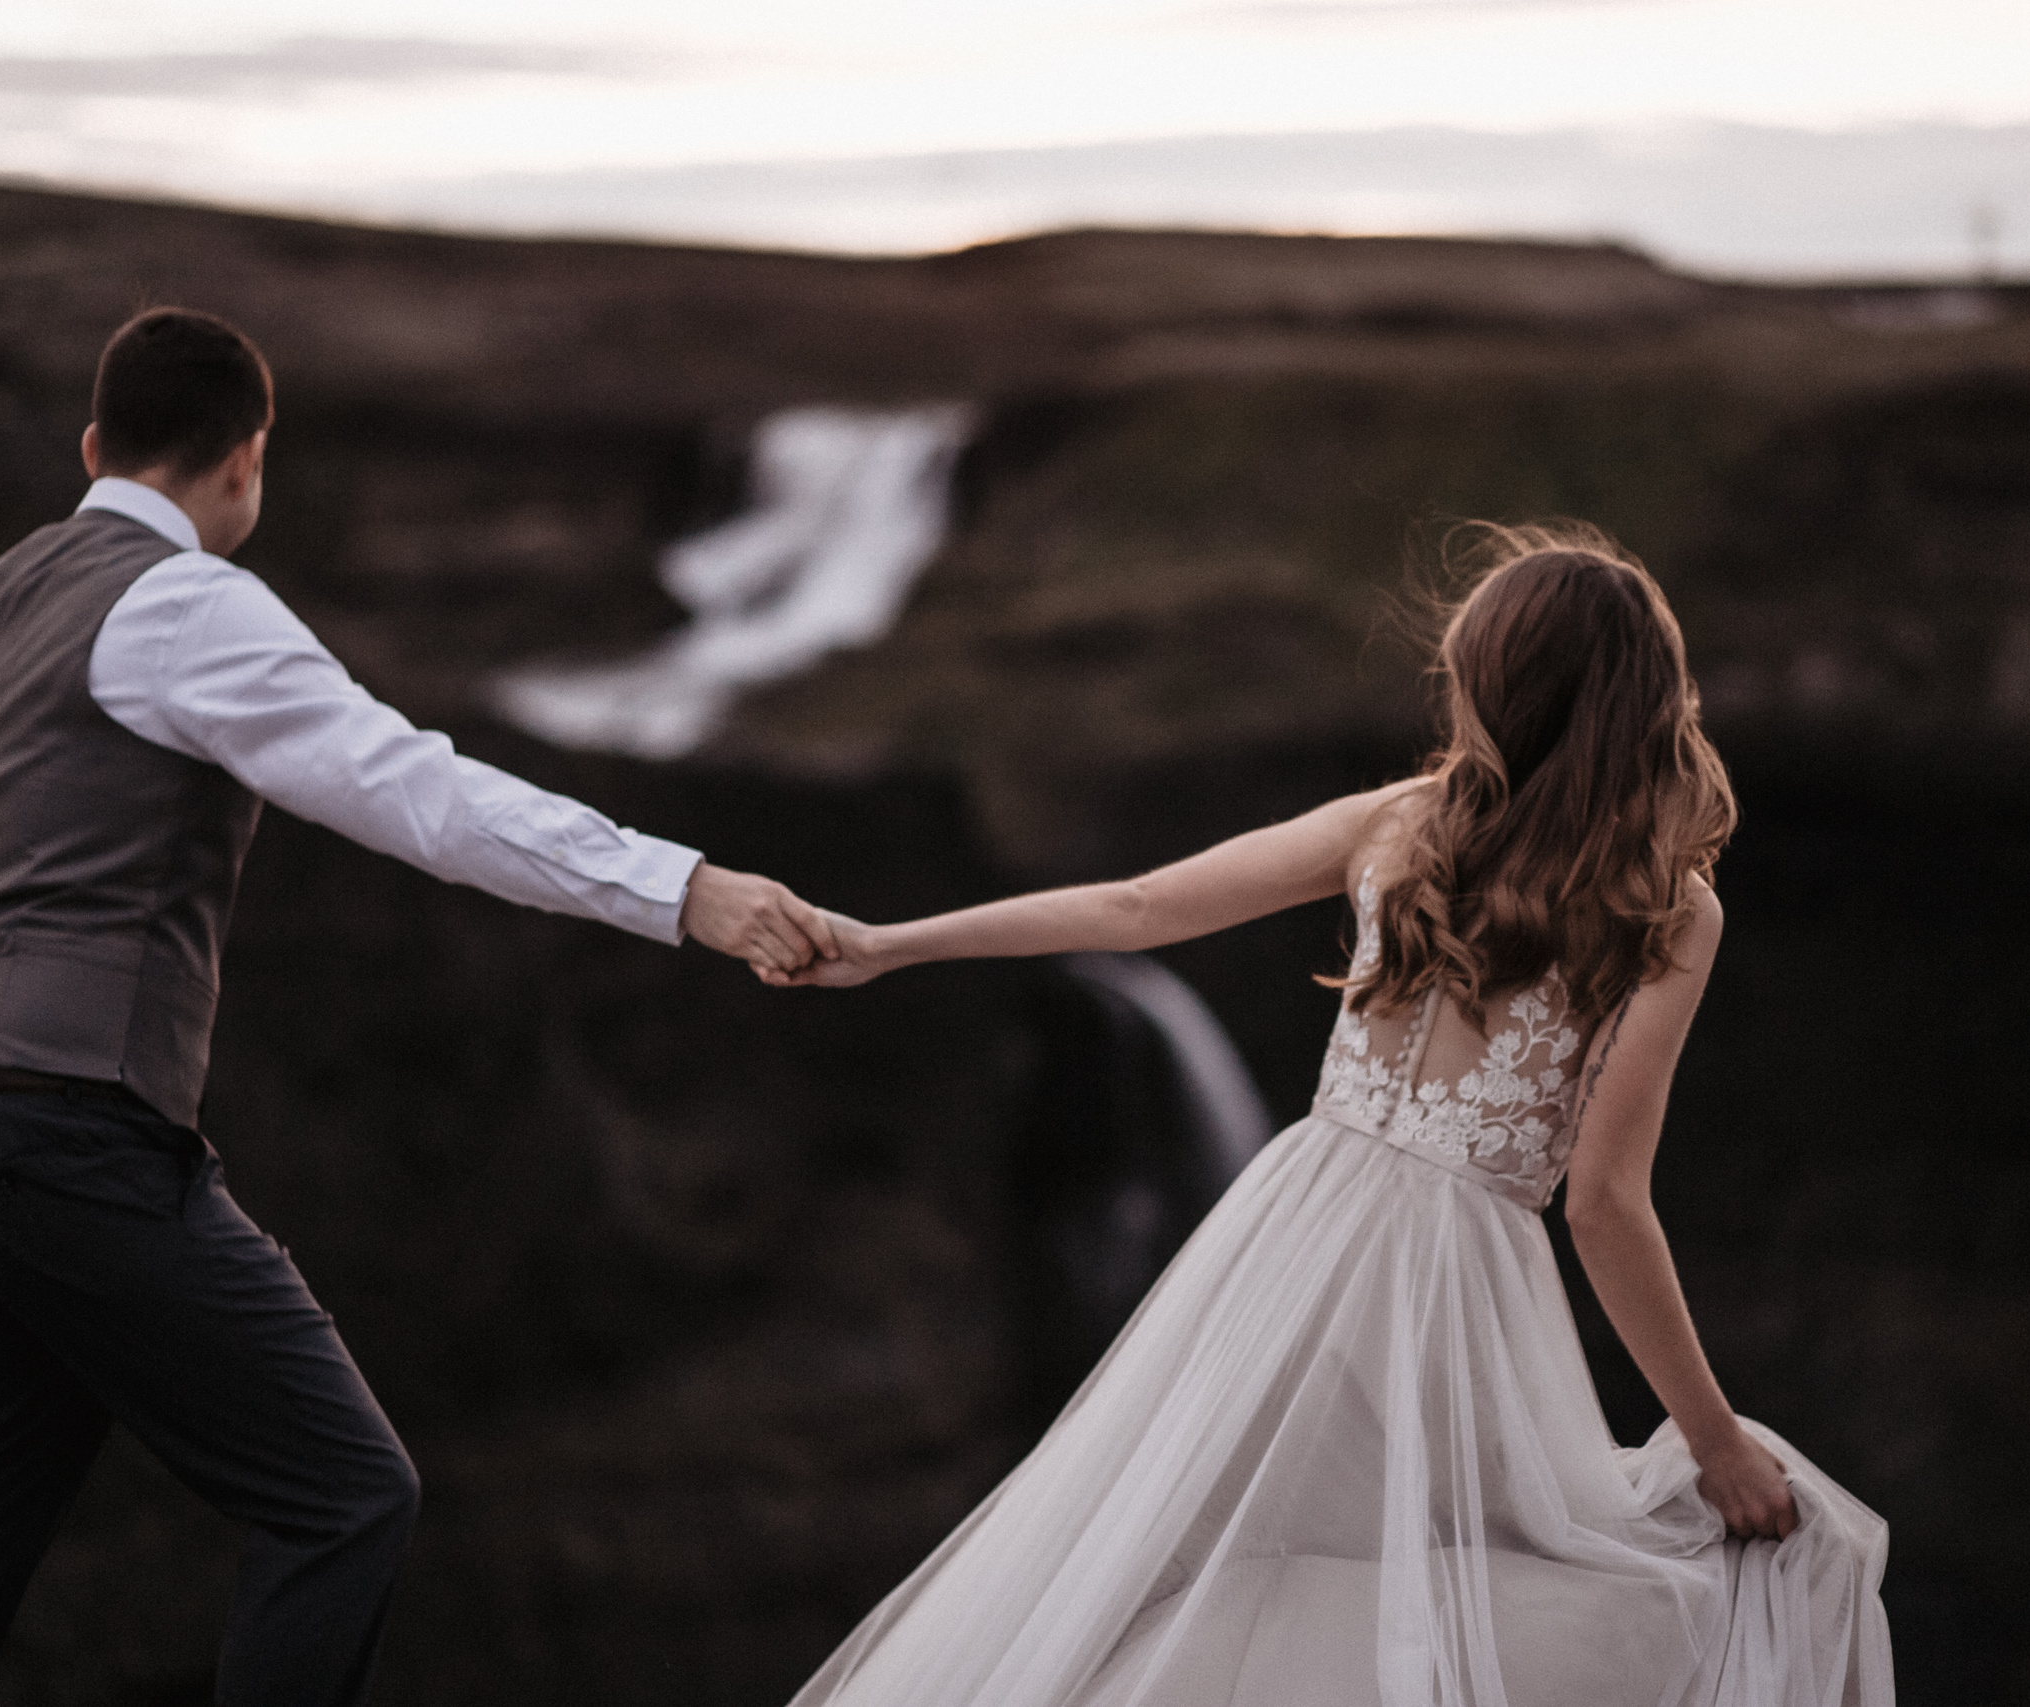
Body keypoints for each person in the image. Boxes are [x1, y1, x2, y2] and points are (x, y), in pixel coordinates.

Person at [0, 306, 836, 1707]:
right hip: (66, 1143)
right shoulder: (183, 605)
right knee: (344, 1497)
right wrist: (686, 889)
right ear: (246, 459)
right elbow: (416, 789)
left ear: (92, 448)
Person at [766, 524, 1894, 1706]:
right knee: (1537, 1583)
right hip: (1457, 1283)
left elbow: (1138, 904)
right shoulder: (1665, 905)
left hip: (1288, 1233)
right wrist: (1713, 1440)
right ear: (1646, 702)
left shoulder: (1401, 823)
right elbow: (1604, 1206)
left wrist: (890, 946)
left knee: (1164, 1554)